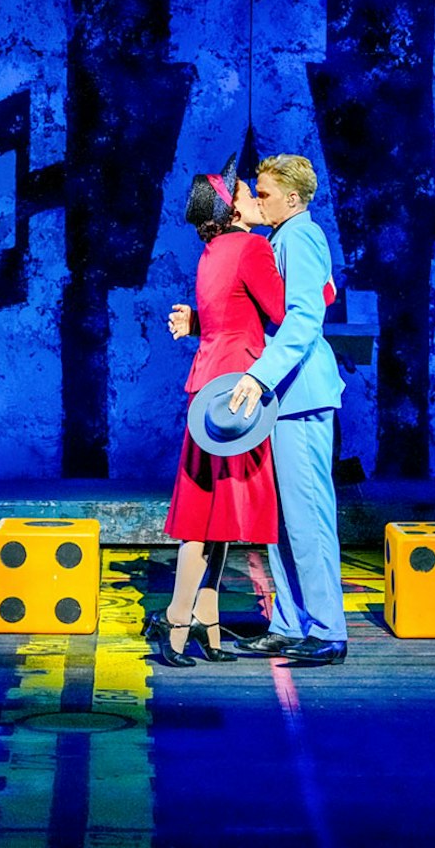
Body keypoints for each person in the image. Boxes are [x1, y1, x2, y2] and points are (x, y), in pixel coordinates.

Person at [147, 156, 286, 667]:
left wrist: (198, 319)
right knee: (206, 519)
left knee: (217, 517)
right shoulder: (251, 247)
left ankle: (208, 628)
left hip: (212, 386)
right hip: (237, 392)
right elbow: (279, 310)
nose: (254, 198)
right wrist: (323, 289)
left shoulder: (213, 251)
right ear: (231, 210)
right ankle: (177, 622)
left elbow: (225, 313)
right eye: (248, 193)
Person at [226, 154, 348, 664]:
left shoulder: (300, 236)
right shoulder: (281, 237)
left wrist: (258, 375)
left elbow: (303, 319)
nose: (258, 199)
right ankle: (291, 621)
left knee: (309, 516)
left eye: (265, 193)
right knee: (284, 519)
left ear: (292, 199)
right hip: (286, 395)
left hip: (300, 392)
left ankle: (327, 628)